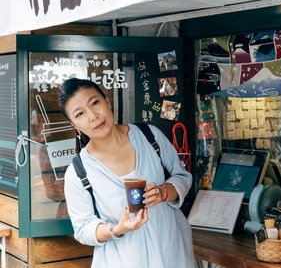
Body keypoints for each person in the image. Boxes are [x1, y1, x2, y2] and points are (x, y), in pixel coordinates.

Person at [59, 78, 195, 267]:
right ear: (74, 125)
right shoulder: (79, 171)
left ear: (107, 101)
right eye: (80, 114)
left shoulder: (150, 136)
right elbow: (83, 228)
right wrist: (117, 229)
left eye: (95, 103)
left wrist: (163, 192)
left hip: (171, 253)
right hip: (123, 260)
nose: (93, 116)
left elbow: (182, 177)